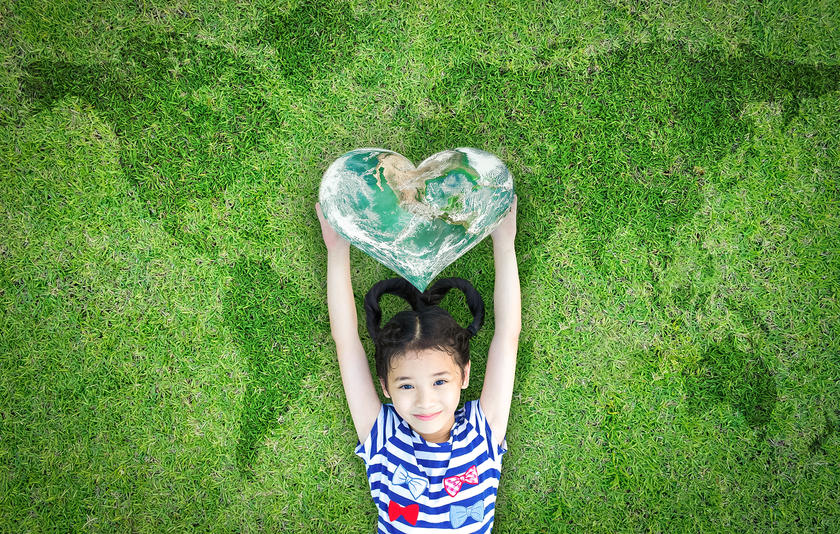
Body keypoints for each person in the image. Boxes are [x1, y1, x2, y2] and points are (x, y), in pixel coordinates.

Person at [315, 196, 520, 533]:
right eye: (406, 385)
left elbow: (508, 337)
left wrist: (504, 241)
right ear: (385, 387)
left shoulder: (483, 433)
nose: (425, 401)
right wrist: (336, 251)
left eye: (440, 381)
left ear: (464, 374)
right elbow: (346, 343)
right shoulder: (383, 436)